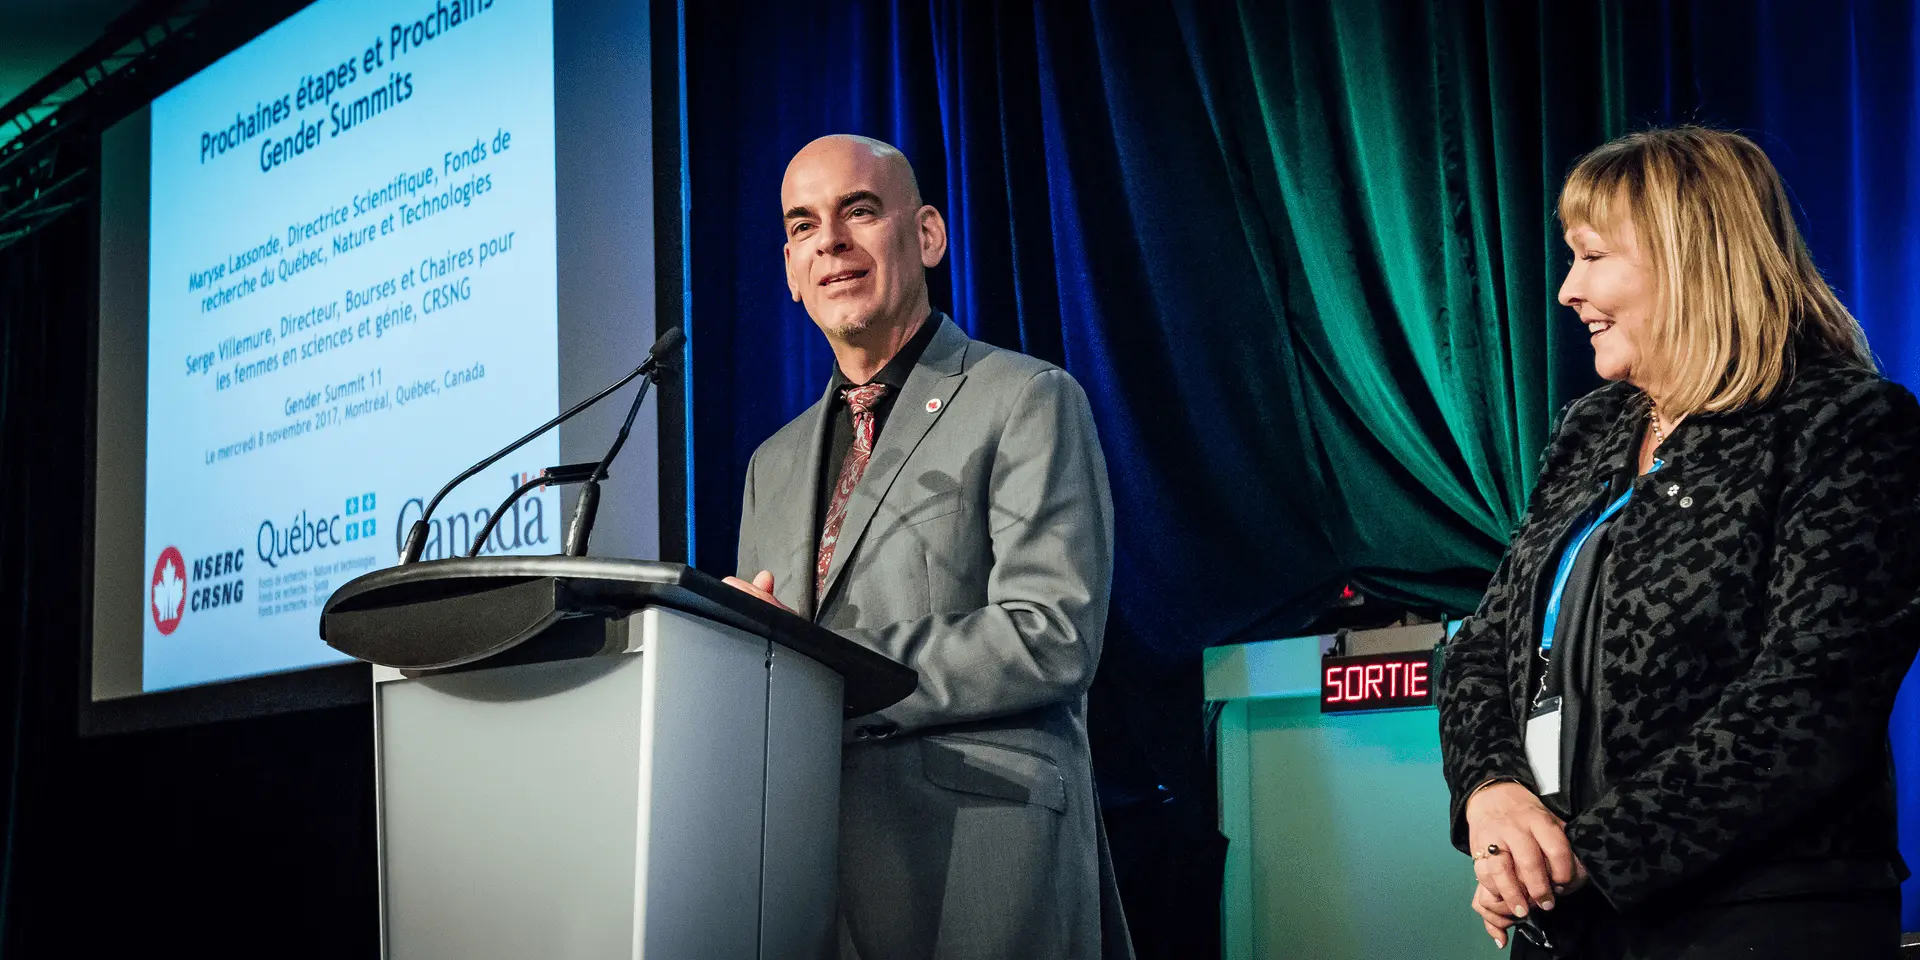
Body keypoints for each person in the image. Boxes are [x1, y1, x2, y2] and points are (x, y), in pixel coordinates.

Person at [1438, 125, 1920, 959]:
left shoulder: (1847, 425)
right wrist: (1493, 796)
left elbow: (1811, 701)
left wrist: (1581, 855)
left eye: (1592, 257)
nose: (1567, 291)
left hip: (1760, 915)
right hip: (1570, 914)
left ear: (1690, 258)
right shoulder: (1592, 429)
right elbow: (1483, 644)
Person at [724, 134, 1132, 960]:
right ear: (792, 272)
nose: (830, 241)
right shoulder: (773, 463)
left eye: (859, 211)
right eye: (804, 226)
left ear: (928, 235)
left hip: (980, 860)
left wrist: (828, 664)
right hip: (806, 873)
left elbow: (1052, 634)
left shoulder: (1026, 397)